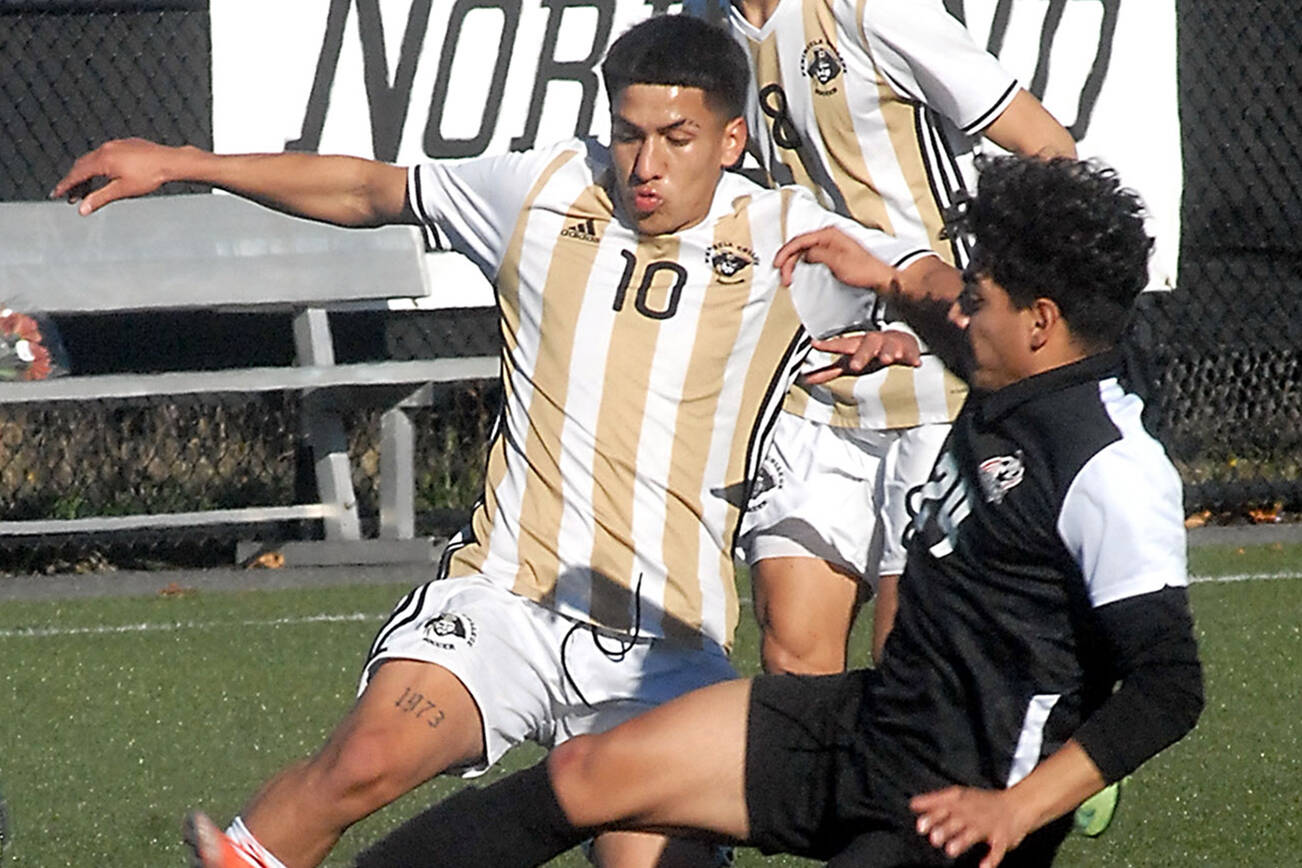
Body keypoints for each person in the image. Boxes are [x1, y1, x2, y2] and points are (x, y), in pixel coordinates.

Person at [52, 15, 946, 868]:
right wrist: (183, 162)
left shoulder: (789, 237)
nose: (646, 163)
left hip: (667, 643)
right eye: (630, 133)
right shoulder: (546, 188)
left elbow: (946, 292)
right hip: (505, 601)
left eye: (677, 138)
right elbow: (371, 188)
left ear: (731, 142)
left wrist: (905, 321)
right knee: (363, 761)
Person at [350, 155, 1204, 868]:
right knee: (587, 774)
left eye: (977, 300)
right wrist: (889, 288)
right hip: (870, 725)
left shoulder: (1112, 467)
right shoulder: (1017, 378)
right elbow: (961, 334)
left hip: (959, 806)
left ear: (1042, 322)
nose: (962, 312)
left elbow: (1168, 688)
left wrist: (1018, 812)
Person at [689, 0, 1076, 673]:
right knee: (791, 662)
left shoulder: (872, 10)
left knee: (911, 673)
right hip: (815, 388)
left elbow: (1049, 147)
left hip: (937, 392)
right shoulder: (705, 26)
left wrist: (983, 312)